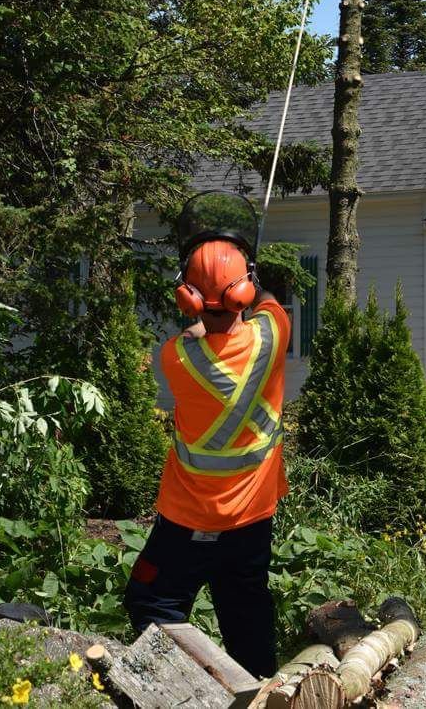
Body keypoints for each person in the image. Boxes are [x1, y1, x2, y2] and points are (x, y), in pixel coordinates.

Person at [123, 235, 289, 677]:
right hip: (251, 522)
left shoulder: (175, 357)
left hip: (185, 523)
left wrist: (200, 322)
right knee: (247, 619)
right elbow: (269, 301)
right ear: (244, 293)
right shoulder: (272, 337)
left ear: (188, 297)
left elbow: (199, 341)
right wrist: (251, 277)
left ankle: (173, 690)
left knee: (151, 603)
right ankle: (255, 692)